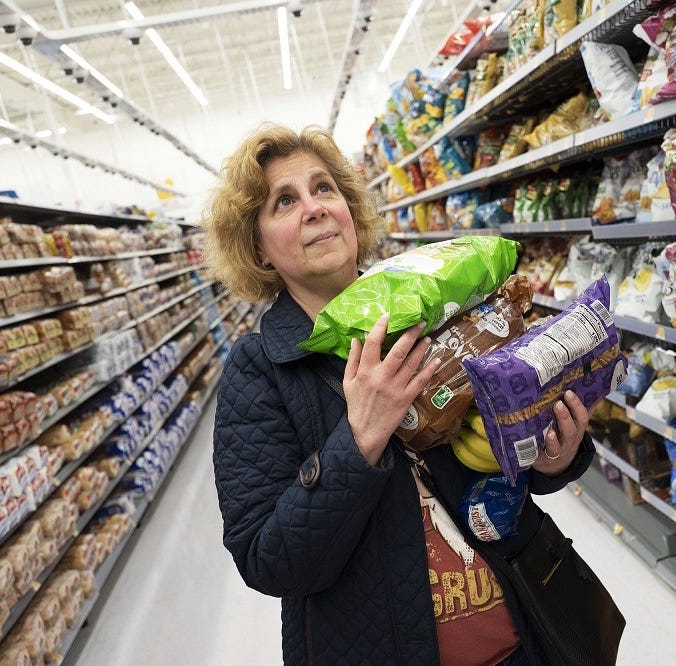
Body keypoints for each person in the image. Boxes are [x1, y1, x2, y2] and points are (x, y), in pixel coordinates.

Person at [205, 124, 598, 666]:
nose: (315, 208)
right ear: (259, 249)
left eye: (325, 189)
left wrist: (553, 457)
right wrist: (360, 438)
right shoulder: (260, 372)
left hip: (527, 636)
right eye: (284, 201)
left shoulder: (437, 301)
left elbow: (499, 460)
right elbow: (269, 560)